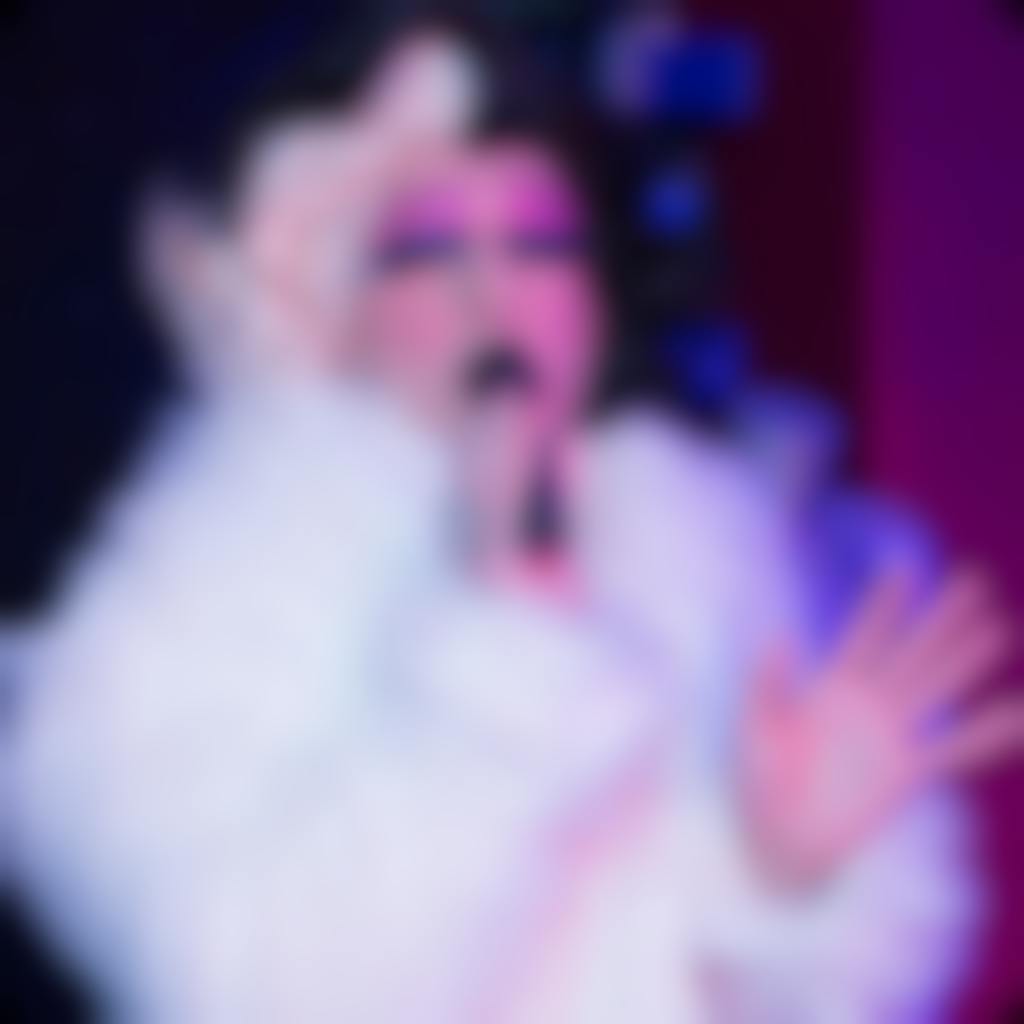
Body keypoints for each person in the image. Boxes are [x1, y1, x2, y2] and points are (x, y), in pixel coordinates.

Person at [9, 17, 1022, 1021]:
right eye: (426, 248)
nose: (493, 292)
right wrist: (504, 655)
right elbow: (242, 986)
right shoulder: (221, 575)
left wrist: (785, 879)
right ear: (332, 296)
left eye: (542, 242)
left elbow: (844, 977)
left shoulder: (711, 544)